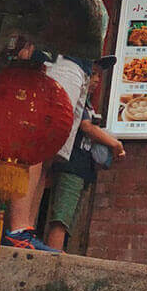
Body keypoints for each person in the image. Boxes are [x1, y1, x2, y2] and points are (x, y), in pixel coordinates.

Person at [6, 0, 125, 251]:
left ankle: (26, 228)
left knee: (51, 152)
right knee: (37, 142)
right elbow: (57, 2)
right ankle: (18, 229)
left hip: (78, 65)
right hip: (60, 59)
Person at [45, 66, 125, 252]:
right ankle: (53, 252)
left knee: (71, 215)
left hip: (82, 167)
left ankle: (59, 251)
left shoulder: (88, 103)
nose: (96, 79)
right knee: (63, 214)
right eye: (92, 74)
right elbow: (87, 127)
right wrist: (115, 144)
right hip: (71, 165)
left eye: (98, 75)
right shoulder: (75, 99)